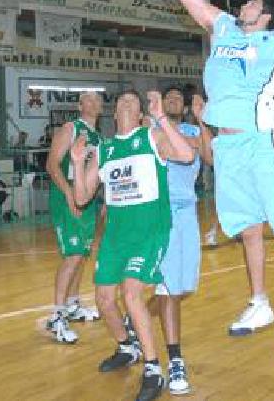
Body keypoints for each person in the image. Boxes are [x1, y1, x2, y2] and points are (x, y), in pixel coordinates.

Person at [131, 0, 274, 361]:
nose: (245, 4)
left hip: (260, 141)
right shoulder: (223, 28)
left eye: (253, 3)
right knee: (247, 230)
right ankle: (260, 304)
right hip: (227, 144)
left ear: (266, 15)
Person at [71, 89, 195, 401]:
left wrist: (162, 118)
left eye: (133, 101)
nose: (127, 102)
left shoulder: (152, 137)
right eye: (122, 100)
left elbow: (187, 155)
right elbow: (82, 197)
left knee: (131, 293)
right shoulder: (105, 149)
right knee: (103, 299)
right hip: (115, 235)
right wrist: (75, 162)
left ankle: (154, 369)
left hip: (149, 231)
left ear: (140, 113)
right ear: (114, 114)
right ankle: (127, 347)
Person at [144, 86, 213, 395]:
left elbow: (207, 156)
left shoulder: (188, 128)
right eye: (167, 97)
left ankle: (138, 317)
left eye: (177, 98)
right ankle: (175, 360)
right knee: (170, 288)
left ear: (184, 107)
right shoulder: (151, 127)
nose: (172, 100)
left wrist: (202, 122)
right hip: (160, 211)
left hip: (188, 212)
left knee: (182, 288)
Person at [45, 92, 104, 344]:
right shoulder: (71, 128)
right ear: (80, 106)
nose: (92, 103)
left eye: (96, 100)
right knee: (73, 255)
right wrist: (69, 193)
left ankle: (73, 304)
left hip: (88, 198)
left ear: (101, 107)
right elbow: (52, 164)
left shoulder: (99, 138)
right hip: (66, 195)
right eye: (87, 100)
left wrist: (102, 200)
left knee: (81, 253)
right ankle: (57, 315)